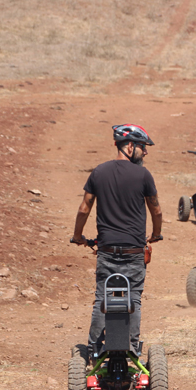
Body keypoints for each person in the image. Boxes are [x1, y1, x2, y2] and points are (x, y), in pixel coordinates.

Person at [71, 123, 163, 360]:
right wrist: (156, 233)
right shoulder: (143, 175)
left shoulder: (99, 172)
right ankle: (132, 348)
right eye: (143, 147)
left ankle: (93, 349)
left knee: (102, 298)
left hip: (106, 251)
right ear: (130, 146)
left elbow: (84, 209)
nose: (146, 152)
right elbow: (156, 210)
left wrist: (78, 236)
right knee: (134, 300)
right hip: (134, 252)